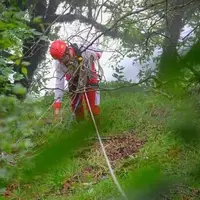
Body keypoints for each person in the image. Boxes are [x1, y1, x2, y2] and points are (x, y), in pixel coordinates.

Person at [49, 39, 103, 122]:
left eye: (63, 59)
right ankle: (80, 128)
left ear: (67, 51)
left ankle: (96, 123)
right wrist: (57, 106)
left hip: (89, 74)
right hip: (72, 79)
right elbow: (59, 84)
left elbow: (98, 51)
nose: (63, 62)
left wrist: (94, 56)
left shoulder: (83, 50)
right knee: (76, 106)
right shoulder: (59, 64)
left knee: (93, 105)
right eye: (59, 60)